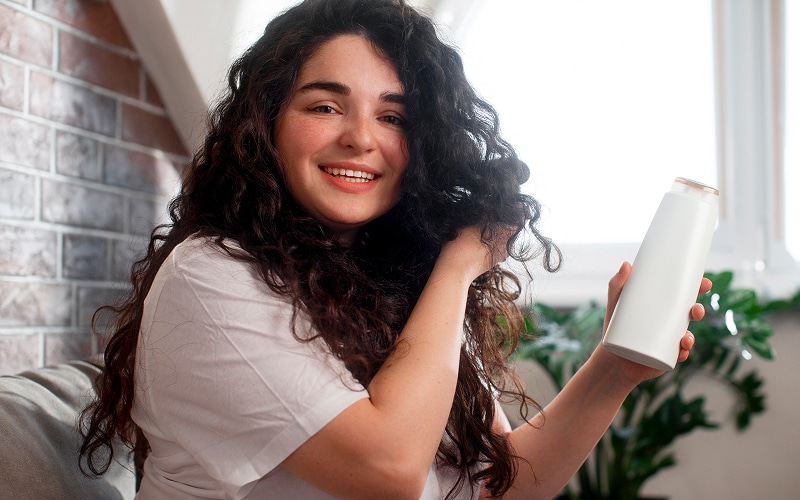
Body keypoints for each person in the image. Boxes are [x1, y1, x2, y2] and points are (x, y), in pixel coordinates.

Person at [79, 0, 711, 498]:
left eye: (393, 117)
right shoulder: (212, 277)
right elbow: (388, 473)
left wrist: (616, 366)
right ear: (265, 124)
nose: (360, 138)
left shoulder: (387, 287)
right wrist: (460, 264)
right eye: (325, 105)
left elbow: (506, 484)